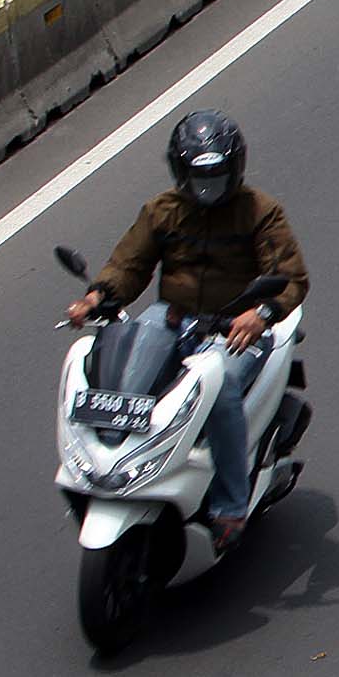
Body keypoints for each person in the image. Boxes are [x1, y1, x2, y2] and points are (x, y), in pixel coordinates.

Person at [67, 111, 310, 552]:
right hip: (173, 318)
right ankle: (115, 463)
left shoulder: (260, 212)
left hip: (236, 327)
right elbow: (128, 265)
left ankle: (231, 504)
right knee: (122, 367)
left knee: (222, 388)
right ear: (181, 172)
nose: (208, 187)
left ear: (234, 169)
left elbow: (291, 278)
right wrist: (97, 297)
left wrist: (261, 314)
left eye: (216, 176)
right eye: (200, 177)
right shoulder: (161, 211)